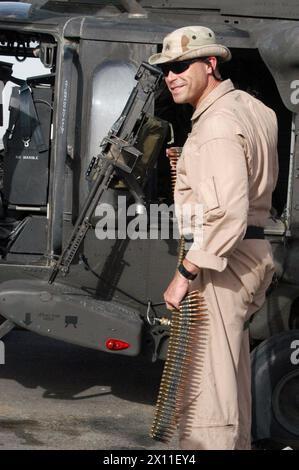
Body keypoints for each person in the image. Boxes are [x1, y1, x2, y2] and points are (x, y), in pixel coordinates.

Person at [148, 26, 278, 450]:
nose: (171, 76)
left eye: (182, 65)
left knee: (207, 396)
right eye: (167, 69)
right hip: (247, 253)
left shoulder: (218, 124)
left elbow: (227, 213)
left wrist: (185, 272)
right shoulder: (253, 109)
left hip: (223, 260)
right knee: (229, 380)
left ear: (210, 64)